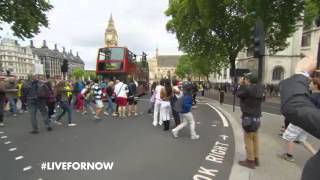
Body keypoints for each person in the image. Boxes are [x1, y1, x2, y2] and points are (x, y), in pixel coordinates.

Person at [280, 55, 320, 180]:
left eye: (312, 83)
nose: (310, 84)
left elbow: (295, 106)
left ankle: (289, 154)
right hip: (310, 122)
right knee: (301, 139)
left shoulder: (313, 96)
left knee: (288, 137)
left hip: (303, 121)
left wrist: (301, 73)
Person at [236, 73, 264, 169]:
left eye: (246, 79)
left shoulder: (247, 89)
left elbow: (238, 94)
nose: (245, 80)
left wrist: (241, 84)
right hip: (257, 117)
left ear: (248, 80)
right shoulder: (260, 88)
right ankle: (256, 159)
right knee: (255, 139)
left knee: (248, 140)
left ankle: (250, 161)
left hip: (248, 117)